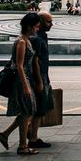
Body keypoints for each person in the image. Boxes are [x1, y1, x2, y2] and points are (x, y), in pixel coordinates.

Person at [0, 12, 41, 155]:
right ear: (29, 26)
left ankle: (5, 135)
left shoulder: (26, 40)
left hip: (26, 79)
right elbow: (19, 65)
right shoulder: (21, 42)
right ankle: (22, 146)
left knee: (27, 112)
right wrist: (26, 86)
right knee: (28, 110)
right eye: (36, 26)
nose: (38, 29)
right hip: (22, 81)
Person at [28, 11, 54, 149]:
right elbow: (36, 61)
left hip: (42, 76)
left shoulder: (42, 36)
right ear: (40, 22)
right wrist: (40, 81)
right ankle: (32, 137)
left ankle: (8, 133)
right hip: (39, 77)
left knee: (36, 108)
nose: (52, 24)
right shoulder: (37, 38)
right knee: (39, 108)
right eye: (49, 22)